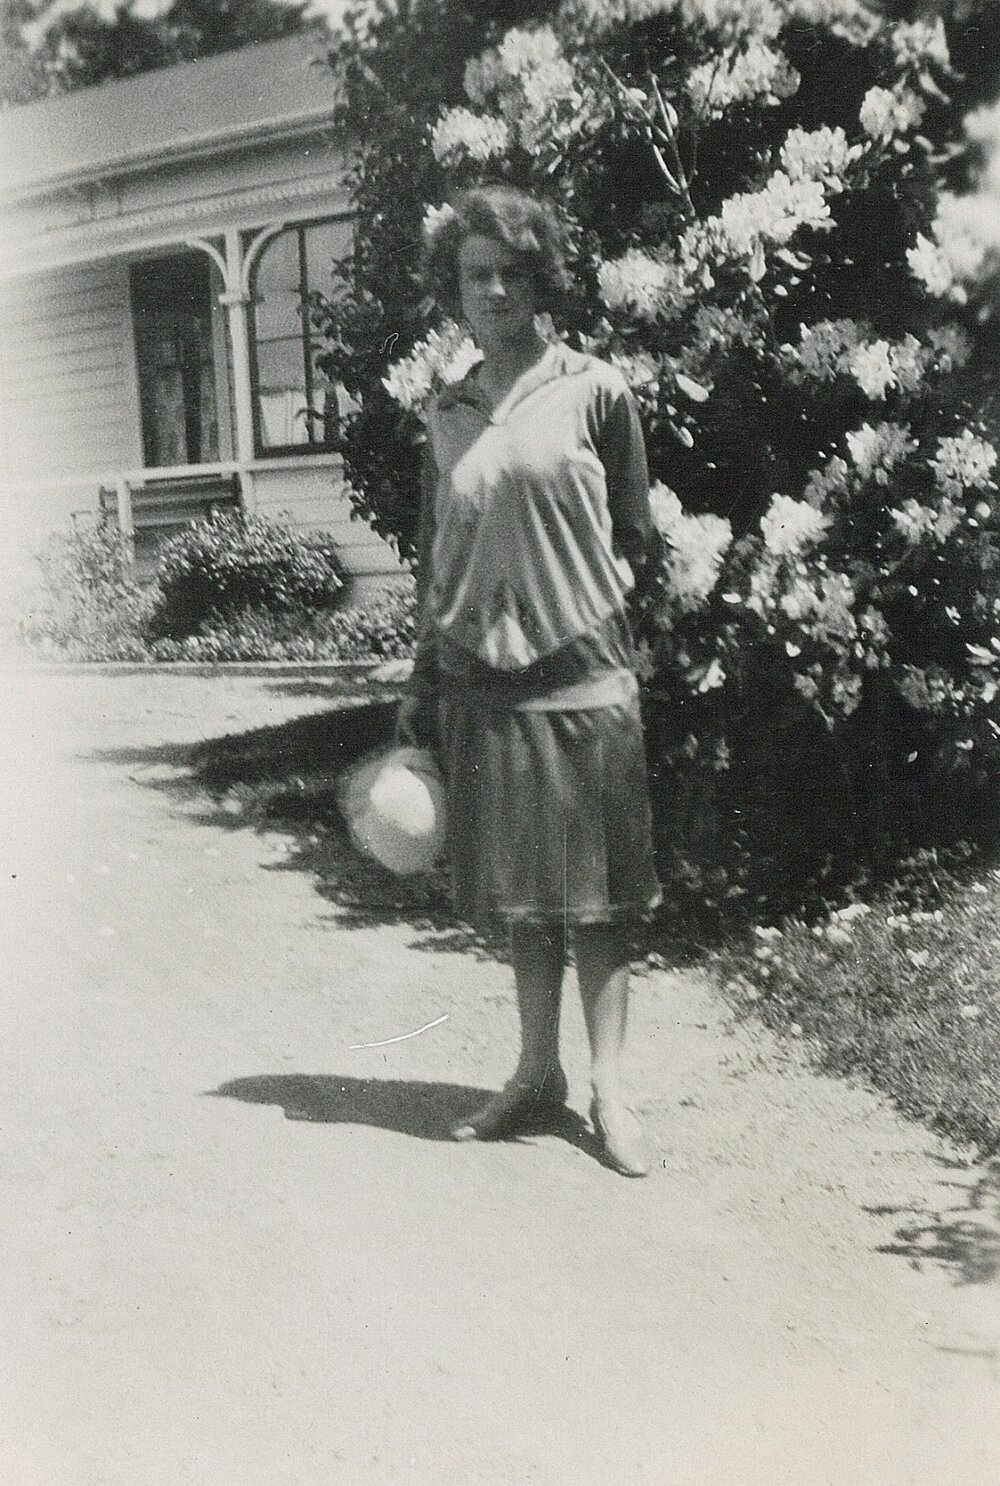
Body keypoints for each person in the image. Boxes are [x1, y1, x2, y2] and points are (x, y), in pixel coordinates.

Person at [395, 184, 662, 1177]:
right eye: (477, 275)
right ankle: (534, 1071)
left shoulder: (596, 389)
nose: (496, 290)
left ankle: (610, 1091)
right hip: (482, 677)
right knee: (524, 893)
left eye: (513, 271)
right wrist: (424, 676)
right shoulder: (448, 410)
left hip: (583, 668)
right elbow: (439, 552)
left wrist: (585, 606)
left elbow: (634, 532)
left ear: (542, 277)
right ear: (454, 288)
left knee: (597, 893)